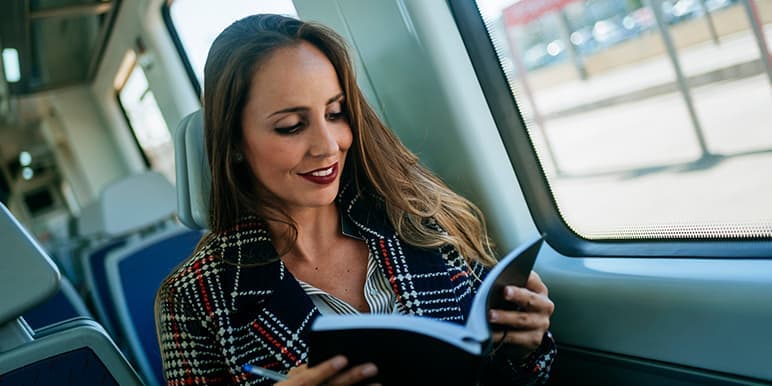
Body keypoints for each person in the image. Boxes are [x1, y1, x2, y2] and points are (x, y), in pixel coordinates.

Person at [156, 13, 556, 386]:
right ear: (235, 143)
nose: (328, 146)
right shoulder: (190, 299)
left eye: (335, 113)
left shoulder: (419, 215)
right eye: (291, 126)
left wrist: (523, 349)